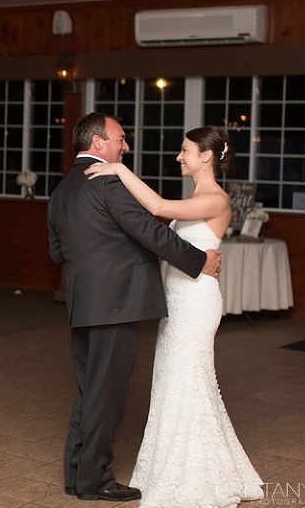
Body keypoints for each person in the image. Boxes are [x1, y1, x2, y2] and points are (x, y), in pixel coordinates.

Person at [84, 125, 264, 507]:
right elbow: (167, 241)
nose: (179, 157)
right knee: (172, 383)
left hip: (196, 306)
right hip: (178, 303)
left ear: (206, 156)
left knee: (188, 382)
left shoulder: (215, 199)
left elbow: (159, 208)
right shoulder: (197, 196)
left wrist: (119, 169)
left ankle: (195, 475)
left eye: (185, 150)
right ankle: (170, 467)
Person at [47, 112, 221, 502]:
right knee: (106, 396)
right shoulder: (108, 182)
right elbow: (150, 232)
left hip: (82, 304)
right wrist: (198, 261)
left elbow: (57, 252)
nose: (125, 146)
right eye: (120, 139)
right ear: (98, 143)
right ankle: (95, 480)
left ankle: (76, 475)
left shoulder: (61, 190)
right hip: (118, 304)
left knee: (90, 390)